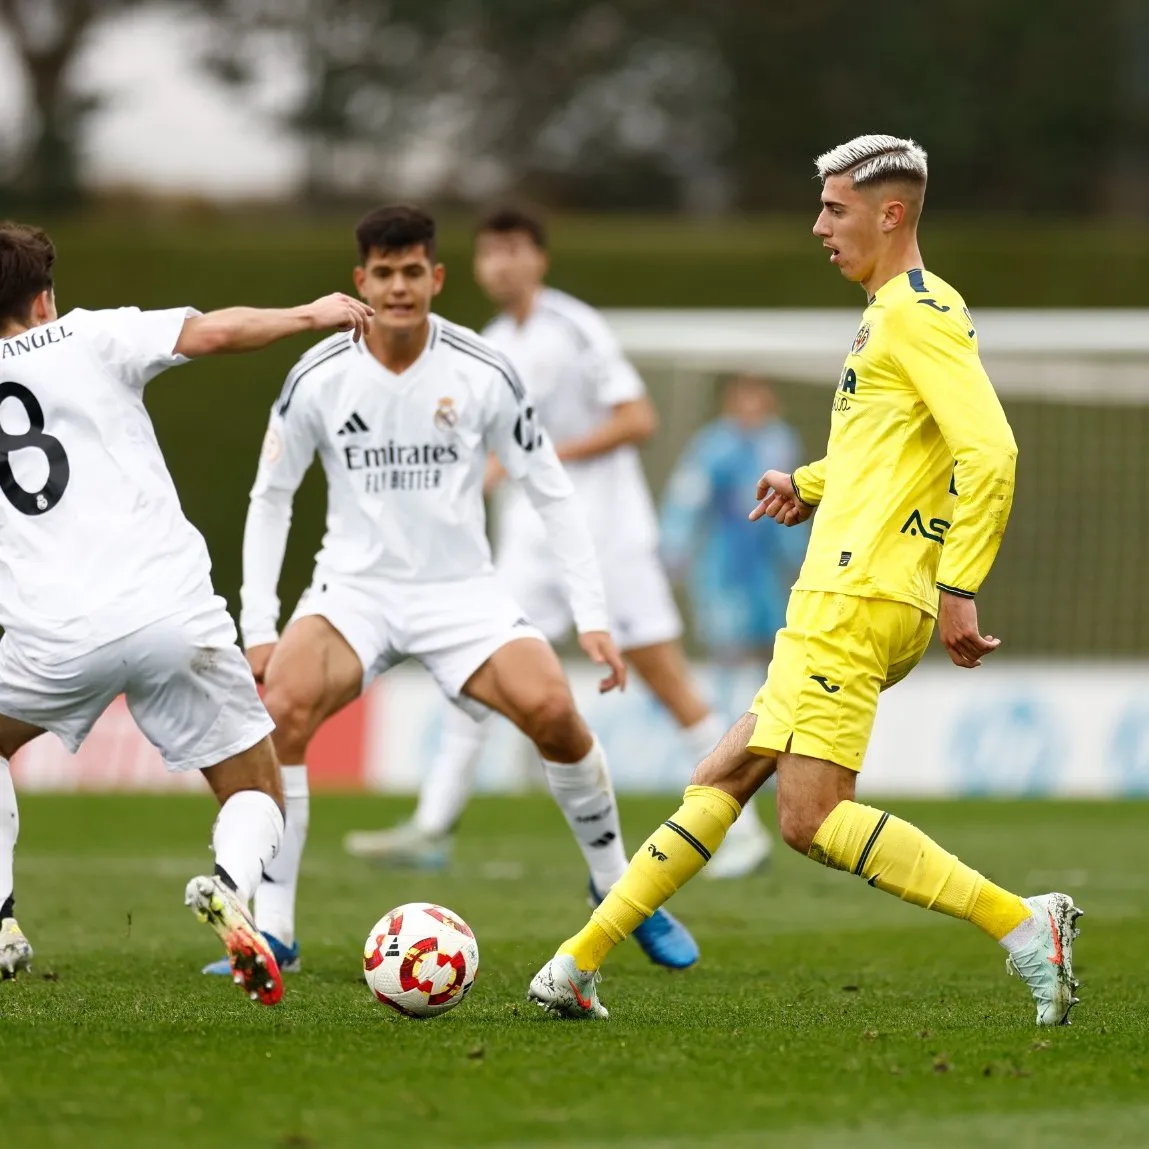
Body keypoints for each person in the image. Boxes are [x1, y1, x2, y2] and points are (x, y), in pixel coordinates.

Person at [527, 134, 1084, 1026]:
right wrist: (808, 482)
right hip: (843, 585)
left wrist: (959, 583)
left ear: (889, 214)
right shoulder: (891, 311)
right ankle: (575, 962)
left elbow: (990, 449)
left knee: (810, 818)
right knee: (723, 772)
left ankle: (1023, 925)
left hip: (861, 593)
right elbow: (888, 446)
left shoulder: (915, 312)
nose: (817, 226)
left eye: (834, 209)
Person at [204, 205, 697, 979]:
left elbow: (550, 489)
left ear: (434, 278)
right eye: (383, 273)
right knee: (280, 712)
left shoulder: (482, 369)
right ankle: (276, 932)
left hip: (462, 594)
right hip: (353, 592)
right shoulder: (317, 375)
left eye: (412, 272)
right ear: (359, 281)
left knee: (555, 714)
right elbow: (271, 497)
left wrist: (592, 614)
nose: (398, 287)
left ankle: (616, 888)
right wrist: (259, 622)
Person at [0, 220, 373, 1004]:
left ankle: (1, 913)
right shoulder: (90, 336)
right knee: (256, 790)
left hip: (53, 634)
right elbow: (217, 331)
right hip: (170, 610)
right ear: (42, 300)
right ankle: (231, 886)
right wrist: (309, 313)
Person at [343, 207, 772, 880]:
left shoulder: (574, 327)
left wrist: (537, 454)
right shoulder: (484, 343)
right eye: (490, 253)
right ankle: (432, 825)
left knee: (664, 677)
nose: (502, 264)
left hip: (605, 533)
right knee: (474, 665)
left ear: (538, 259)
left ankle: (741, 830)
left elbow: (637, 419)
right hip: (528, 539)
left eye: (514, 250)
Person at [660, 373, 807, 687]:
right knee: (728, 644)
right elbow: (687, 497)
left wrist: (799, 556)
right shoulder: (714, 445)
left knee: (774, 639)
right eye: (745, 394)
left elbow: (795, 501)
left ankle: (768, 715)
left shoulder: (779, 442)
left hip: (764, 563)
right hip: (723, 561)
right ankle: (725, 717)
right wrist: (674, 546)